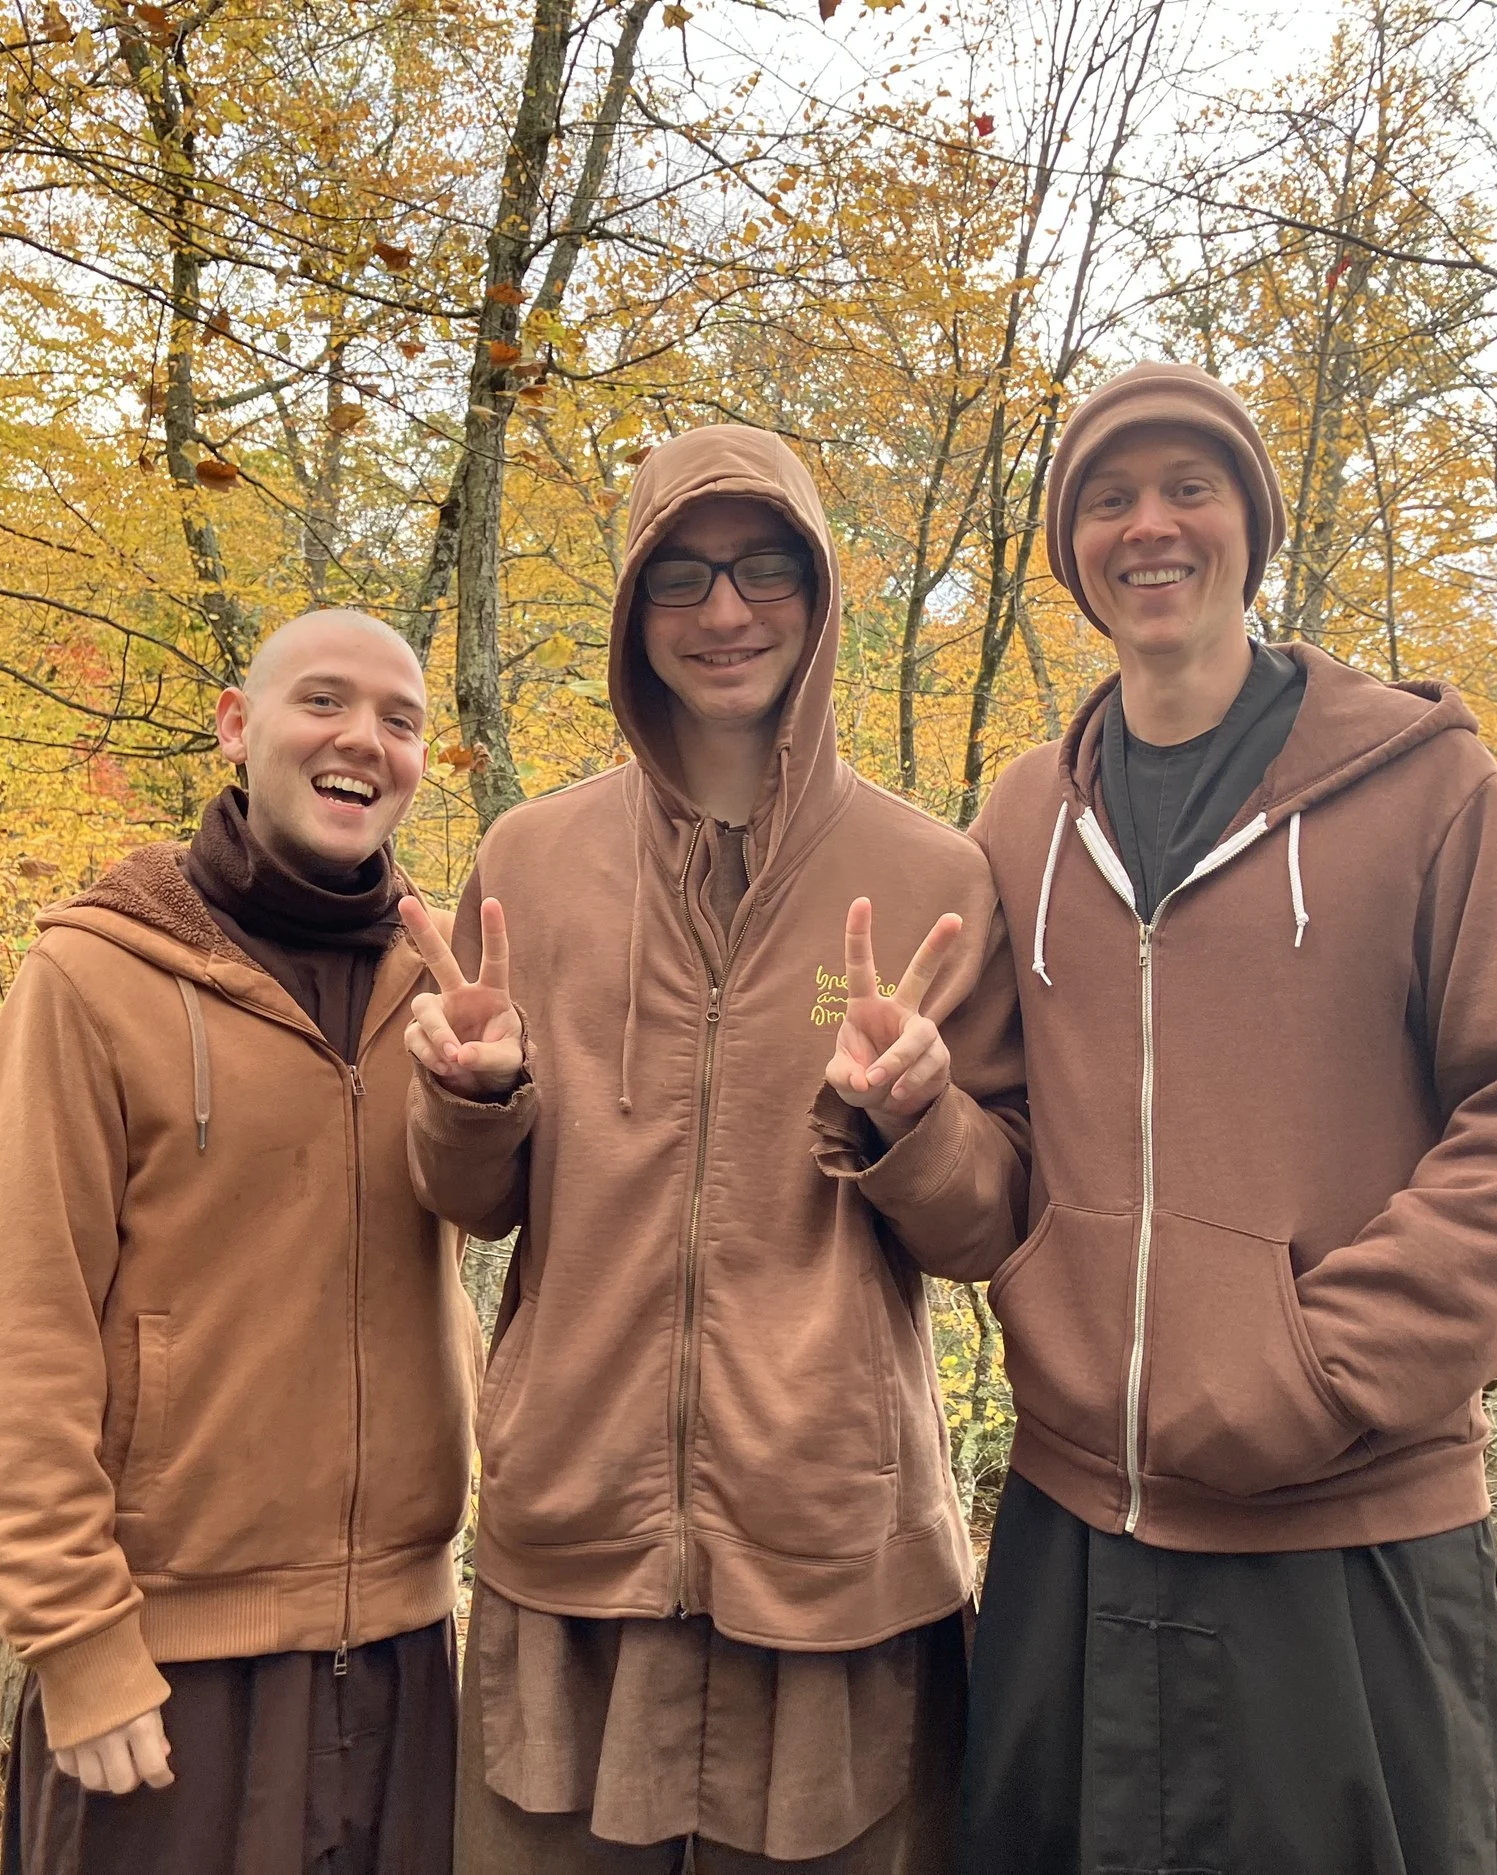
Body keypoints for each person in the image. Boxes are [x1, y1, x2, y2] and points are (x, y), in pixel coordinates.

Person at [944, 362, 1497, 1872]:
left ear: (1251, 521)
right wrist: (906, 1123)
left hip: (1348, 1536)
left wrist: (1316, 1371)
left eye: (1190, 487)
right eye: (1109, 498)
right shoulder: (1017, 822)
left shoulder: (1431, 793)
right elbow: (998, 1156)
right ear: (1072, 554)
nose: (1150, 526)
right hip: (1075, 1538)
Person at [399, 424, 1029, 1871]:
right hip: (575, 1535)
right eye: (680, 575)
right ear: (632, 611)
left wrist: (916, 1119)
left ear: (814, 594)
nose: (726, 611)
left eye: (762, 569)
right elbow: (470, 1205)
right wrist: (472, 1097)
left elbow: (990, 1224)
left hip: (831, 1550)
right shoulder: (535, 859)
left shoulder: (931, 876)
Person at [0, 609, 477, 1875]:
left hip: (403, 1647)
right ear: (240, 729)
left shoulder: (446, 984)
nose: (365, 740)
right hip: (160, 1665)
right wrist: (74, 1639)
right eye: (324, 703)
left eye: (401, 721)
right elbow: (20, 1317)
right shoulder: (94, 975)